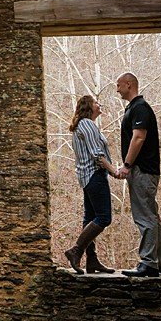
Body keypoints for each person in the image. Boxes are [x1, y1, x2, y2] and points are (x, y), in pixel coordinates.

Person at [63, 94, 128, 274]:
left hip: (86, 177)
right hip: (94, 175)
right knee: (104, 217)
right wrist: (113, 171)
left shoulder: (82, 126)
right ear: (89, 107)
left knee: (90, 217)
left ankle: (92, 260)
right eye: (96, 102)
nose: (100, 104)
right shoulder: (87, 124)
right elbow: (97, 155)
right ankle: (76, 251)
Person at [116, 71, 161, 277]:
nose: (117, 88)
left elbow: (138, 138)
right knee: (152, 216)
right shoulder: (135, 108)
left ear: (129, 84)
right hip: (144, 170)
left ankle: (148, 263)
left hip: (142, 170)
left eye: (119, 85)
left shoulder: (140, 108)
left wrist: (127, 164)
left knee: (144, 216)